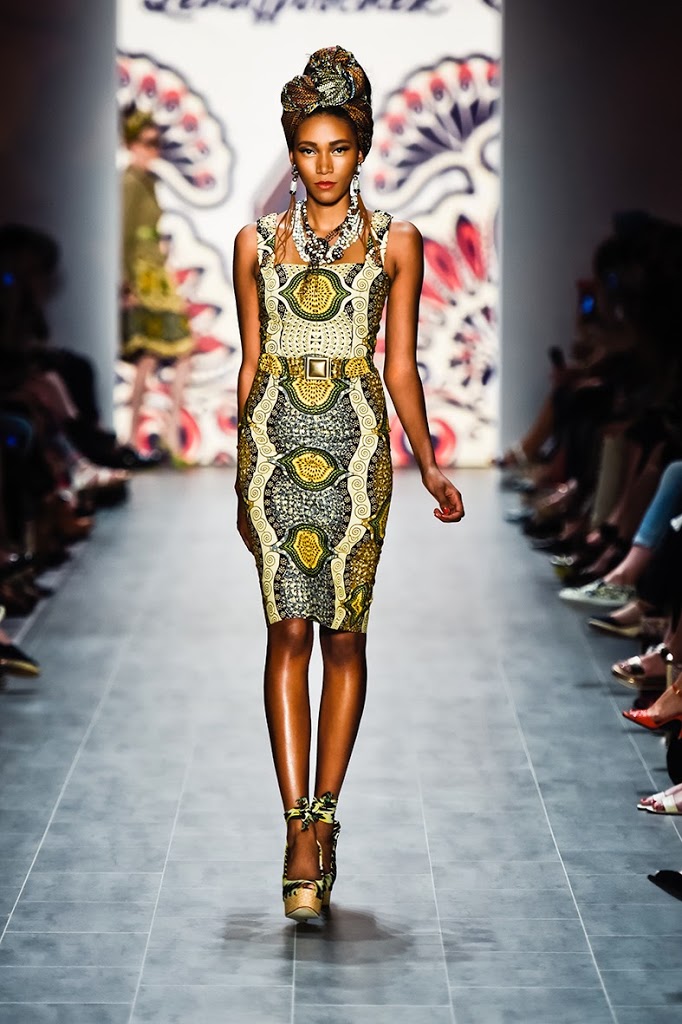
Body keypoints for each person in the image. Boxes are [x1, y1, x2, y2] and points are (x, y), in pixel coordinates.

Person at [233, 46, 464, 922]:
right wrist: (243, 477)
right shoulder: (255, 245)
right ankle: (297, 830)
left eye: (338, 147)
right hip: (274, 449)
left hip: (360, 450)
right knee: (286, 630)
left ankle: (328, 815)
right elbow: (251, 366)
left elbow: (399, 366)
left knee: (344, 639)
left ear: (361, 148)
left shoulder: (398, 242)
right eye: (307, 148)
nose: (323, 165)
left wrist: (429, 461)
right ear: (291, 150)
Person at [120, 106, 194, 461]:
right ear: (131, 144)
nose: (153, 150)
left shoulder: (148, 182)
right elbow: (123, 235)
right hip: (141, 276)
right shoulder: (129, 182)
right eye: (147, 143)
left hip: (157, 275)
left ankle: (167, 437)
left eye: (157, 143)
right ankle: (131, 437)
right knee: (148, 356)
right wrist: (126, 284)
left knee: (179, 351)